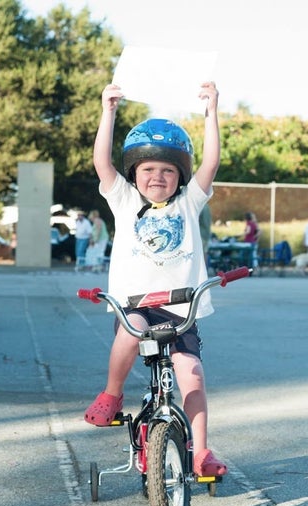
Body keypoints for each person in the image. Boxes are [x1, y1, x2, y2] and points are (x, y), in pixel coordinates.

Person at [85, 80, 227, 478]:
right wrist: (108, 111)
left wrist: (211, 112)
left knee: (192, 373)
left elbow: (211, 163)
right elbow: (102, 163)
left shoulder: (188, 201)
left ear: (180, 175)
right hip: (136, 305)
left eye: (167, 170)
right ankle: (112, 394)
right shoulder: (125, 200)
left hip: (181, 307)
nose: (157, 177)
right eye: (148, 169)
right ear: (135, 172)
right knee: (130, 332)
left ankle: (200, 452)